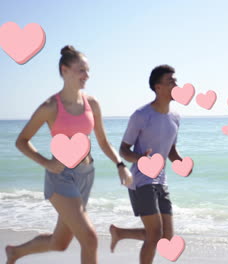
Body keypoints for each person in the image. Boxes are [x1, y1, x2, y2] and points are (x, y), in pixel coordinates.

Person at [5, 45, 133, 264]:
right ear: (65, 70)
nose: (87, 75)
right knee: (90, 239)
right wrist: (45, 162)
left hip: (86, 175)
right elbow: (22, 141)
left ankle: (15, 253)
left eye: (87, 70)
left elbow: (102, 141)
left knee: (60, 242)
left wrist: (120, 165)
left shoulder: (92, 104)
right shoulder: (50, 106)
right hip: (61, 177)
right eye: (81, 70)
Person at [109, 65, 190, 264]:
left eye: (176, 81)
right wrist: (140, 159)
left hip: (161, 180)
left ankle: (120, 233)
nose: (176, 85)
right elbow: (123, 150)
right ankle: (120, 234)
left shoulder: (175, 118)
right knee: (154, 235)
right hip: (141, 180)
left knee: (166, 237)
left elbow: (170, 150)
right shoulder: (141, 115)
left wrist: (181, 163)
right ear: (158, 87)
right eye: (170, 82)